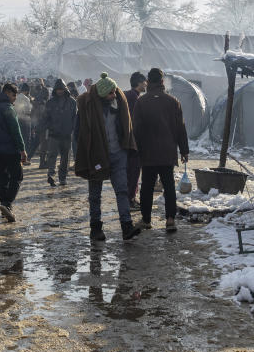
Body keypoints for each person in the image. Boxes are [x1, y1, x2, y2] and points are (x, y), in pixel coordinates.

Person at [75, 73, 140, 241]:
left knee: (122, 190)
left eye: (114, 92)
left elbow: (126, 126)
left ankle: (127, 226)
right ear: (102, 94)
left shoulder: (119, 103)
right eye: (110, 93)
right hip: (96, 154)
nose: (114, 95)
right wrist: (83, 152)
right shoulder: (87, 105)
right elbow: (79, 133)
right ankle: (95, 228)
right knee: (95, 194)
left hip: (118, 153)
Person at [132, 68, 188, 233]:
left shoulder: (141, 102)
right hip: (167, 153)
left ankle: (147, 220)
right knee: (169, 186)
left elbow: (136, 130)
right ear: (162, 82)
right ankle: (170, 220)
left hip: (148, 154)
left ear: (148, 82)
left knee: (147, 187)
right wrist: (184, 150)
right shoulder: (173, 101)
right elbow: (180, 129)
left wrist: (136, 150)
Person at [0, 83, 28, 222]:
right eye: (13, 95)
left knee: (2, 179)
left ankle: (4, 208)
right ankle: (7, 204)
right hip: (11, 149)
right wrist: (22, 149)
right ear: (6, 93)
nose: (15, 99)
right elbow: (15, 130)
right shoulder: (8, 108)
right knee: (17, 176)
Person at [43, 78, 77, 187]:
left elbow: (75, 118)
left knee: (65, 157)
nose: (60, 91)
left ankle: (62, 177)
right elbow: (46, 117)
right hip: (54, 133)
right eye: (58, 89)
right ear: (55, 90)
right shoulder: (50, 102)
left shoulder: (72, 102)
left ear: (65, 89)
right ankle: (51, 175)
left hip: (66, 134)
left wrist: (74, 130)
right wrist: (45, 128)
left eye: (61, 89)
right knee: (52, 155)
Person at [124, 71, 147, 209]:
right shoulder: (134, 98)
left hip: (128, 140)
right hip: (133, 141)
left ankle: (130, 197)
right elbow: (135, 122)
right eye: (144, 81)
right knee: (133, 171)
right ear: (139, 83)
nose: (146, 84)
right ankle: (130, 199)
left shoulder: (130, 95)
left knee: (132, 171)